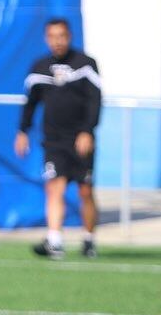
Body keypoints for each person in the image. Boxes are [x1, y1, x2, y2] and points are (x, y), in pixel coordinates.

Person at [15, 18, 101, 259]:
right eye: (52, 36)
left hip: (80, 139)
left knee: (85, 191)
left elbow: (95, 101)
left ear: (69, 36)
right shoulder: (39, 67)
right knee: (55, 187)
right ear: (46, 38)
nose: (57, 41)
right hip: (53, 141)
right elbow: (30, 103)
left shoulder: (85, 65)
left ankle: (89, 239)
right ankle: (55, 241)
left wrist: (88, 130)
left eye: (61, 36)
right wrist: (23, 131)